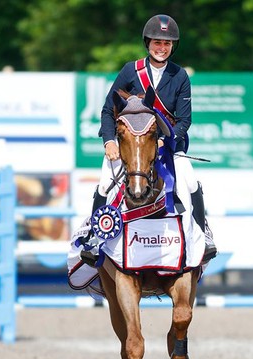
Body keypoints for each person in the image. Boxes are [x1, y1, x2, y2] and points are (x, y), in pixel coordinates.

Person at [93, 14, 216, 262]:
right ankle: (94, 237)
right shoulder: (131, 70)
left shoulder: (179, 76)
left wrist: (164, 141)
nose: (162, 48)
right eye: (157, 43)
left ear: (173, 47)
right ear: (148, 43)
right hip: (131, 148)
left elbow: (184, 120)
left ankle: (204, 235)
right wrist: (109, 141)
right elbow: (108, 110)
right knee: (105, 182)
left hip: (168, 147)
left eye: (167, 44)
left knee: (191, 181)